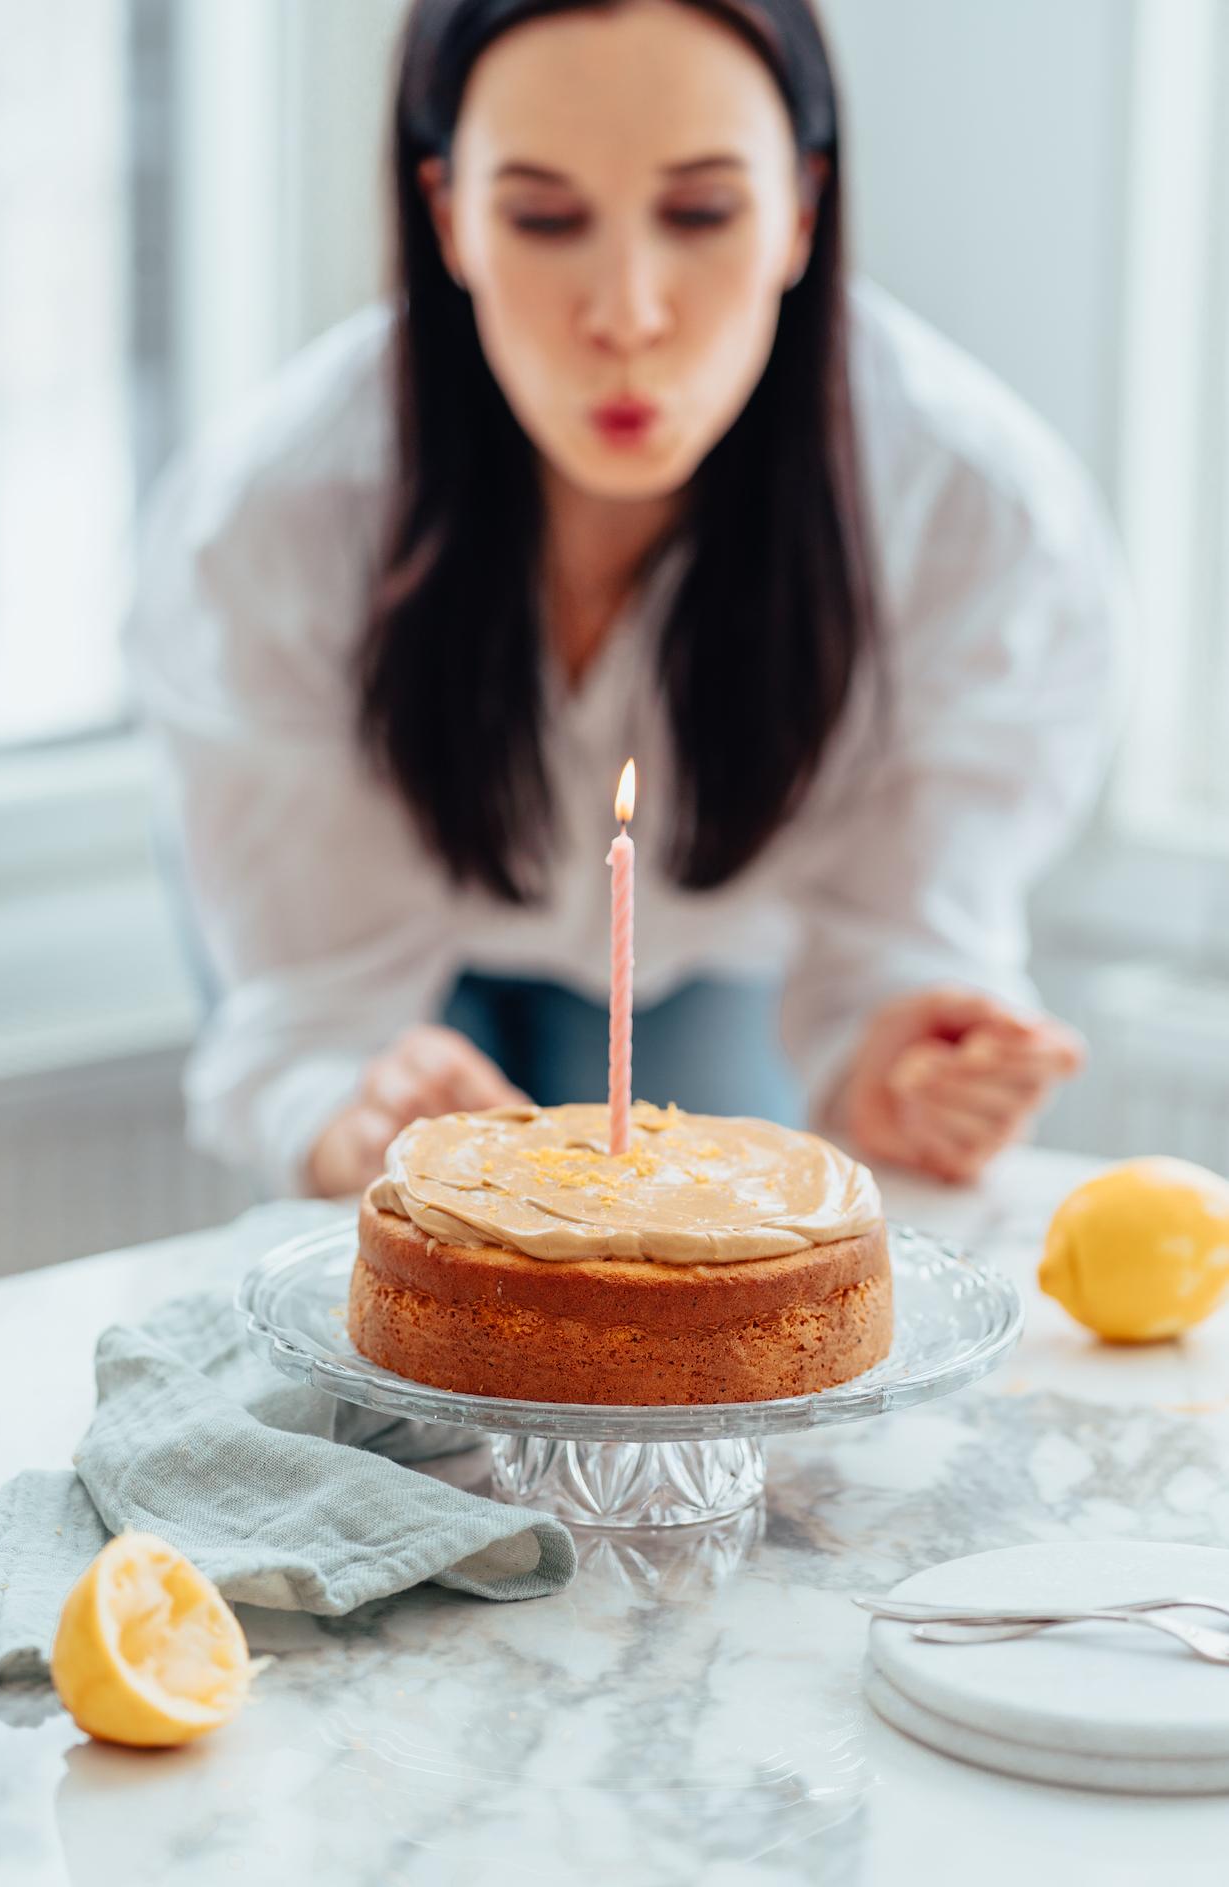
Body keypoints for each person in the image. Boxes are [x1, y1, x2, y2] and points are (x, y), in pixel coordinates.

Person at [126, 0, 1130, 1201]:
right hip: (352, 935)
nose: (627, 314)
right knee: (396, 1294)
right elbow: (311, 1021)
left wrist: (905, 1064)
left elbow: (897, 945)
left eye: (702, 212)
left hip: (717, 949)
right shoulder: (269, 523)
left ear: (801, 210)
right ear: (448, 217)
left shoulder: (977, 519)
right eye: (544, 219)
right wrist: (350, 1106)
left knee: (694, 1281)